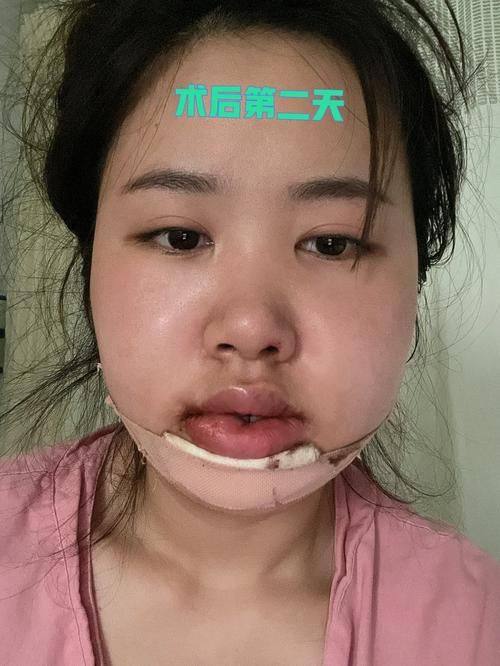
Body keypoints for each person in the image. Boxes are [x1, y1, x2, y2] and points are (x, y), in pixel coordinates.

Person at [0, 1, 499, 664]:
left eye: (331, 243)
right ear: (91, 262)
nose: (251, 329)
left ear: (416, 282)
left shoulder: (475, 624)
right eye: (180, 237)